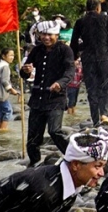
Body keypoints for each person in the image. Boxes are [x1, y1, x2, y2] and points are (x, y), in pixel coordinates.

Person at [21, 21, 76, 166]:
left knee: (54, 130)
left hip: (56, 99)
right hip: (37, 99)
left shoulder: (65, 50)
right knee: (33, 136)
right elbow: (24, 72)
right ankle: (34, 162)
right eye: (43, 34)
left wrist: (60, 83)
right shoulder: (36, 50)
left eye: (50, 35)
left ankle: (72, 157)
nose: (46, 38)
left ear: (56, 35)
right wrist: (25, 71)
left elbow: (70, 71)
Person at [71, 0, 108, 125]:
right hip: (104, 58)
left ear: (86, 8)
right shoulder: (106, 20)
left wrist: (74, 56)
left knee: (92, 89)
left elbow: (74, 42)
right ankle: (104, 114)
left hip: (88, 59)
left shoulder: (80, 22)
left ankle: (95, 119)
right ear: (98, 8)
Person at [0, 49, 19, 131]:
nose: (12, 57)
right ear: (3, 56)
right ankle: (3, 129)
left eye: (13, 55)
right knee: (8, 110)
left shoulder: (0, 64)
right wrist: (11, 90)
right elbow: (4, 80)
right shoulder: (5, 66)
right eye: (10, 55)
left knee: (1, 111)